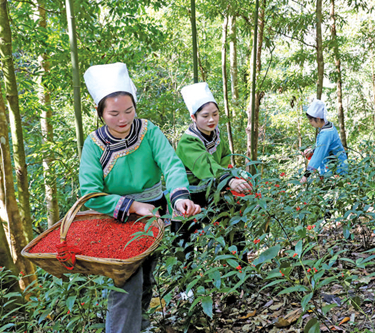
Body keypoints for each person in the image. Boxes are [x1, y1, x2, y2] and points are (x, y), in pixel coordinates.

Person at [79, 62, 200, 333]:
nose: (123, 119)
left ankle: (141, 323)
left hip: (154, 213)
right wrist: (132, 205)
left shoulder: (149, 131)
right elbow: (90, 193)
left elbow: (171, 164)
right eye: (113, 113)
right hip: (117, 218)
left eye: (128, 111)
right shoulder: (93, 144)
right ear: (100, 113)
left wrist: (179, 197)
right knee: (126, 281)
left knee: (146, 274)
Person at [174, 82, 252, 263]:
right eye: (205, 116)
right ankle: (186, 287)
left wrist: (231, 177)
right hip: (188, 195)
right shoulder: (188, 141)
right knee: (184, 239)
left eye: (215, 114)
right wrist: (227, 180)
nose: (211, 120)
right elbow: (205, 164)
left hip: (213, 189)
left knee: (233, 226)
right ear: (193, 117)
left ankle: (239, 272)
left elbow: (224, 157)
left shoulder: (215, 134)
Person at [300, 99, 347, 184]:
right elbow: (324, 147)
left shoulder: (326, 133)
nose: (310, 123)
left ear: (318, 119)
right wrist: (312, 151)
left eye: (311, 120)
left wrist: (305, 176)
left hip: (336, 169)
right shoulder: (328, 126)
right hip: (333, 166)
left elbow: (318, 155)